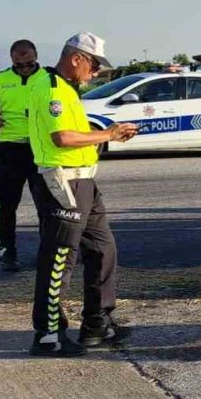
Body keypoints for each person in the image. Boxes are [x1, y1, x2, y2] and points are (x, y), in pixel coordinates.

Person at [27, 32, 138, 357]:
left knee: (103, 249)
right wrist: (109, 134)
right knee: (60, 258)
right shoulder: (50, 88)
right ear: (76, 58)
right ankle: (48, 335)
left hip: (84, 181)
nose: (96, 72)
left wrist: (106, 135)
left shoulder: (66, 87)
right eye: (93, 65)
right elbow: (61, 137)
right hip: (64, 183)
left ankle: (96, 323)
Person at [0, 39, 45, 271]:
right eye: (20, 65)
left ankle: (47, 252)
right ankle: (8, 250)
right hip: (11, 149)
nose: (26, 68)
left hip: (41, 149)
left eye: (29, 63)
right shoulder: (0, 79)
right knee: (7, 202)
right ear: (12, 60)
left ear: (36, 56)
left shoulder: (48, 79)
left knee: (46, 204)